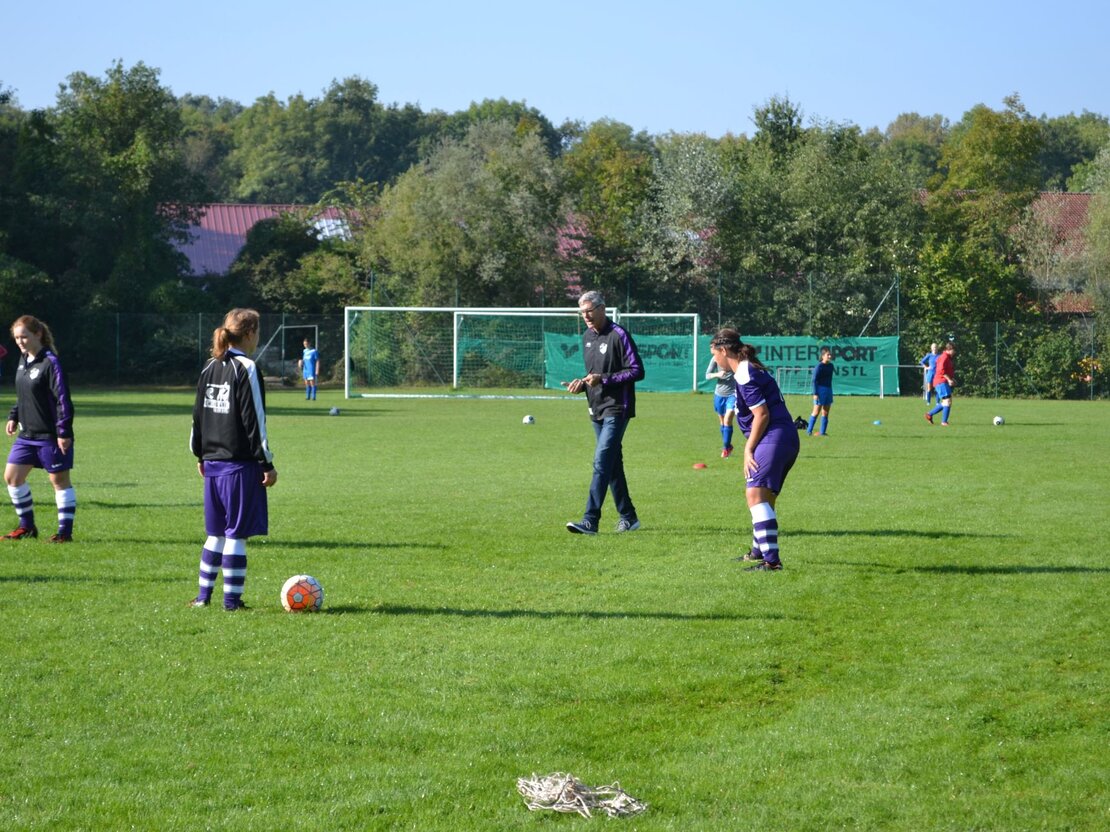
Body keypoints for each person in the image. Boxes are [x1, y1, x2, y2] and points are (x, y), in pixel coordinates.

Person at [189, 309, 277, 610]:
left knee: (215, 534)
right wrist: (266, 462)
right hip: (240, 465)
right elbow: (255, 421)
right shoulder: (246, 368)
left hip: (212, 464)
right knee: (236, 535)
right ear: (250, 334)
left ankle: (203, 598)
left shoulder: (209, 366)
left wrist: (199, 454)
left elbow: (197, 416)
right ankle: (232, 602)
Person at [708, 328, 800, 571]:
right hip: (783, 438)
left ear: (723, 350)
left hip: (774, 437)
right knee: (764, 498)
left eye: (714, 354)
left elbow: (762, 414)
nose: (714, 360)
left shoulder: (744, 373)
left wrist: (748, 450)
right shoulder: (747, 369)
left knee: (755, 495)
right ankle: (759, 552)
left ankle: (772, 562)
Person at [561, 291, 644, 535]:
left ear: (602, 309)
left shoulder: (619, 334)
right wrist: (581, 384)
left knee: (601, 461)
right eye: (582, 312)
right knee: (611, 463)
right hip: (595, 407)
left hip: (617, 407)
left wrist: (604, 380)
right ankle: (628, 517)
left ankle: (590, 520)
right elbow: (593, 376)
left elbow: (637, 370)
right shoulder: (587, 336)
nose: (586, 316)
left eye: (589, 311)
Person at [4, 315, 77, 542]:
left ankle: (64, 533)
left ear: (38, 334)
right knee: (12, 477)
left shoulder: (51, 362)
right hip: (27, 435)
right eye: (17, 338)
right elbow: (24, 394)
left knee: (59, 482)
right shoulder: (23, 360)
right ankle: (27, 527)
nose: (20, 341)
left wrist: (63, 432)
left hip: (50, 436)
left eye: (24, 337)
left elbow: (63, 399)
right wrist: (14, 415)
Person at [705, 356, 737, 458]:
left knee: (728, 419)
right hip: (719, 394)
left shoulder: (735, 357)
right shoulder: (715, 358)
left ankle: (725, 448)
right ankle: (728, 446)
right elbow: (707, 375)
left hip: (733, 394)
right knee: (722, 421)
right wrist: (717, 374)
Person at [925, 341, 956, 427]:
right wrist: (949, 379)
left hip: (943, 381)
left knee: (947, 401)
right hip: (940, 381)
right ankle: (944, 422)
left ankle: (929, 414)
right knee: (947, 401)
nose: (955, 352)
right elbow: (942, 371)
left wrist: (952, 379)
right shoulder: (944, 357)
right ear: (949, 349)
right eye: (954, 350)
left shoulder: (947, 358)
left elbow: (947, 371)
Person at [806, 347, 834, 436]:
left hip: (828, 390)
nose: (830, 356)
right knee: (816, 412)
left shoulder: (831, 366)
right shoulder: (819, 366)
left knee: (825, 412)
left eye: (830, 355)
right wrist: (815, 393)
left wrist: (829, 391)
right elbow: (814, 380)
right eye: (828, 355)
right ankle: (809, 431)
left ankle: (822, 433)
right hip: (820, 390)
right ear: (823, 356)